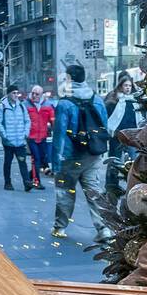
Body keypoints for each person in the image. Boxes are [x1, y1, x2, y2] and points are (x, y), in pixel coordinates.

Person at [52, 63, 109, 238]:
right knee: (94, 192)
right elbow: (104, 126)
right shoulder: (97, 99)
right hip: (92, 154)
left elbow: (60, 134)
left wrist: (55, 162)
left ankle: (60, 227)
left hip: (71, 156)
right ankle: (103, 229)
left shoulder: (65, 103)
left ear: (69, 79)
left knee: (65, 191)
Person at [105, 73, 142, 203]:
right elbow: (110, 117)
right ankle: (111, 185)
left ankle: (131, 185)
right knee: (114, 160)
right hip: (117, 135)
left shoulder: (135, 100)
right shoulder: (114, 99)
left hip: (132, 135)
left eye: (129, 85)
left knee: (133, 161)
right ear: (121, 86)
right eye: (125, 85)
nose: (127, 88)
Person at [0, 83, 33, 192]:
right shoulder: (2, 107)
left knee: (22, 162)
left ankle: (26, 182)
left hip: (20, 140)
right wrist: (4, 135)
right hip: (9, 141)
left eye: (17, 93)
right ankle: (7, 182)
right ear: (9, 94)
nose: (16, 95)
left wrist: (25, 133)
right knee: (8, 162)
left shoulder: (21, 106)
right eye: (13, 93)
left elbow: (27, 120)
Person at [26, 84, 54, 190]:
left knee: (42, 159)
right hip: (31, 137)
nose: (34, 95)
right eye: (33, 93)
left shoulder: (47, 105)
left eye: (37, 94)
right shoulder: (26, 105)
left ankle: (29, 176)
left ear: (41, 94)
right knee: (36, 158)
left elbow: (52, 120)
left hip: (42, 136)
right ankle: (36, 181)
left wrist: (54, 130)